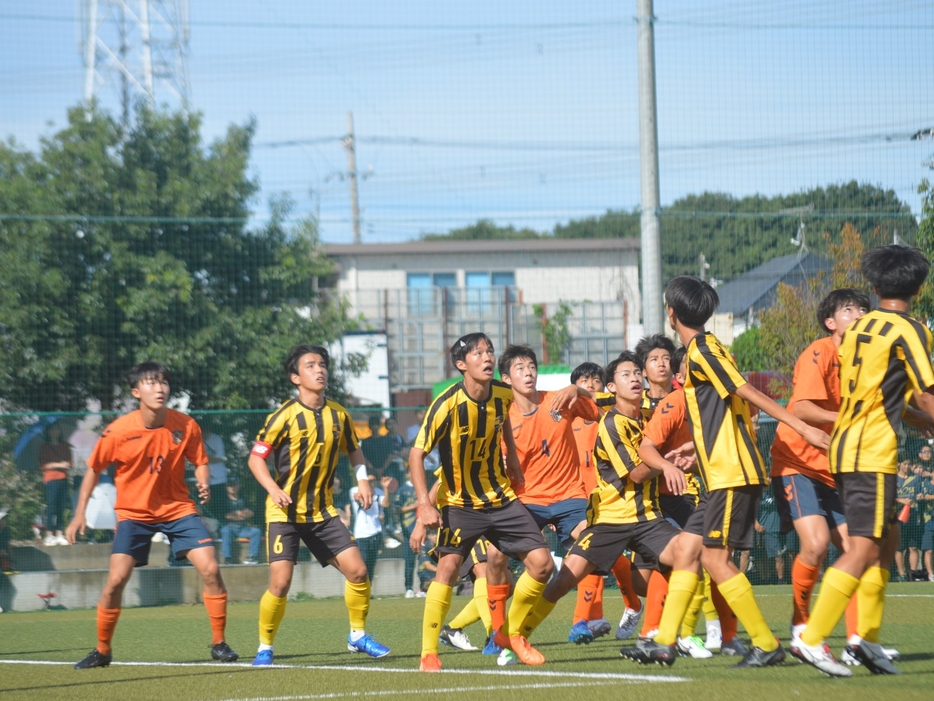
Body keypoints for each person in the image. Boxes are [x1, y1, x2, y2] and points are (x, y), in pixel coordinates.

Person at [627, 275, 829, 669]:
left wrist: (800, 425)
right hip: (722, 471)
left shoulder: (701, 349)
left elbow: (744, 392)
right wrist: (692, 448)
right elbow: (724, 412)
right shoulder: (704, 349)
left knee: (716, 560)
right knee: (687, 550)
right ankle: (665, 641)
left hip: (733, 474)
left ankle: (765, 642)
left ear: (671, 313)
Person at [792, 245, 934, 676]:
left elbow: (883, 397)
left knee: (887, 540)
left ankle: (864, 640)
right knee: (865, 547)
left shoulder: (860, 328)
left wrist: (917, 417)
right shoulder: (912, 329)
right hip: (870, 451)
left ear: (874, 288)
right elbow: (927, 392)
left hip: (850, 446)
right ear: (920, 288)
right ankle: (812, 639)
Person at [519, 352, 694, 667]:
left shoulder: (647, 414)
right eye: (626, 375)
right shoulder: (612, 422)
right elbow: (639, 473)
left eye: (637, 373)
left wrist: (685, 453)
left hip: (648, 519)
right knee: (562, 582)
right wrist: (666, 464)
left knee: (687, 553)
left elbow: (674, 409)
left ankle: (656, 637)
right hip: (610, 521)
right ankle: (516, 637)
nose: (635, 378)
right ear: (612, 387)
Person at [66, 361, 238, 668]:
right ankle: (102, 650)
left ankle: (219, 643)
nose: (159, 388)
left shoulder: (185, 425)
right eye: (150, 383)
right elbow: (92, 470)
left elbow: (200, 460)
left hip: (178, 510)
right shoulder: (118, 431)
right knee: (116, 580)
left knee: (211, 569)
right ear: (136, 392)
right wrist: (79, 514)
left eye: (163, 383)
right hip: (133, 513)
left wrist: (202, 479)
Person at [410, 333, 554, 672]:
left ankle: (510, 634)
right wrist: (423, 505)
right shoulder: (446, 404)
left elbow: (503, 426)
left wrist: (514, 462)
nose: (487, 357)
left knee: (542, 563)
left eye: (489, 350)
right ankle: (429, 653)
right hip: (459, 503)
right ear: (462, 365)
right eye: (478, 353)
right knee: (446, 569)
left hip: (501, 498)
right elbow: (417, 455)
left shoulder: (504, 394)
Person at [247, 344, 390, 666]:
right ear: (296, 377)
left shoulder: (339, 414)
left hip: (322, 512)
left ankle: (357, 636)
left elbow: (354, 450)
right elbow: (256, 459)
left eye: (322, 364)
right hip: (284, 512)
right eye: (310, 365)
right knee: (281, 582)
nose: (319, 369)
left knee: (358, 571)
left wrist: (362, 479)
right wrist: (272, 488)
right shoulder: (283, 416)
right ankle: (265, 646)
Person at [769, 289, 868, 633]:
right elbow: (802, 408)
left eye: (863, 310)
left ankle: (859, 641)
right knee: (816, 543)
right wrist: (849, 421)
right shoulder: (819, 351)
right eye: (849, 309)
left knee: (858, 551)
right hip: (796, 461)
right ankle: (800, 621)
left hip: (834, 467)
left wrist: (918, 415)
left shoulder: (866, 359)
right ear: (830, 322)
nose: (859, 314)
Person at [497, 345, 608, 647]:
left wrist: (579, 390)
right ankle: (499, 630)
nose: (528, 372)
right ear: (506, 378)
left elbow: (604, 411)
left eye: (531, 365)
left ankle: (582, 619)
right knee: (494, 559)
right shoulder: (502, 415)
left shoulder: (559, 399)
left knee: (591, 545)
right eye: (519, 368)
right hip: (527, 501)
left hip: (570, 496)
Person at [39, 423, 72, 546]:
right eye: (52, 429)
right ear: (48, 432)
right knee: (51, 507)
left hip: (63, 479)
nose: (54, 431)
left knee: (61, 507)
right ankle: (49, 535)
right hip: (50, 479)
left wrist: (57, 465)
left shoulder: (65, 446)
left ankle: (59, 534)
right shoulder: (45, 447)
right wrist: (58, 465)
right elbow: (43, 466)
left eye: (57, 428)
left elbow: (69, 463)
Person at [350, 475, 389, 578]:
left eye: (373, 480)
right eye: (369, 481)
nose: (372, 483)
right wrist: (367, 490)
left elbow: (386, 504)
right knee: (362, 564)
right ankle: (360, 590)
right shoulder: (355, 490)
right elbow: (357, 498)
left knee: (371, 565)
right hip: (361, 534)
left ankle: (368, 591)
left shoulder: (379, 492)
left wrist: (385, 488)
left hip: (376, 532)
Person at [220, 476, 262, 565]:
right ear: (226, 487)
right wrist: (241, 513)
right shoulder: (223, 500)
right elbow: (226, 516)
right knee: (225, 531)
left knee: (256, 531)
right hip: (229, 528)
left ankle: (252, 556)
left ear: (239, 486)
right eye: (230, 485)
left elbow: (251, 512)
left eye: (235, 485)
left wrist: (236, 514)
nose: (233, 488)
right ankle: (227, 558)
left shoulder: (244, 499)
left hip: (243, 529)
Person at [202, 427, 229, 522]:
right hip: (203, 480)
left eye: (205, 433)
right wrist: (209, 458)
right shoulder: (196, 438)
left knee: (220, 505)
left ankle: (220, 527)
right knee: (203, 506)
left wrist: (204, 459)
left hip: (219, 478)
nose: (204, 435)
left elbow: (220, 458)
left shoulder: (217, 439)